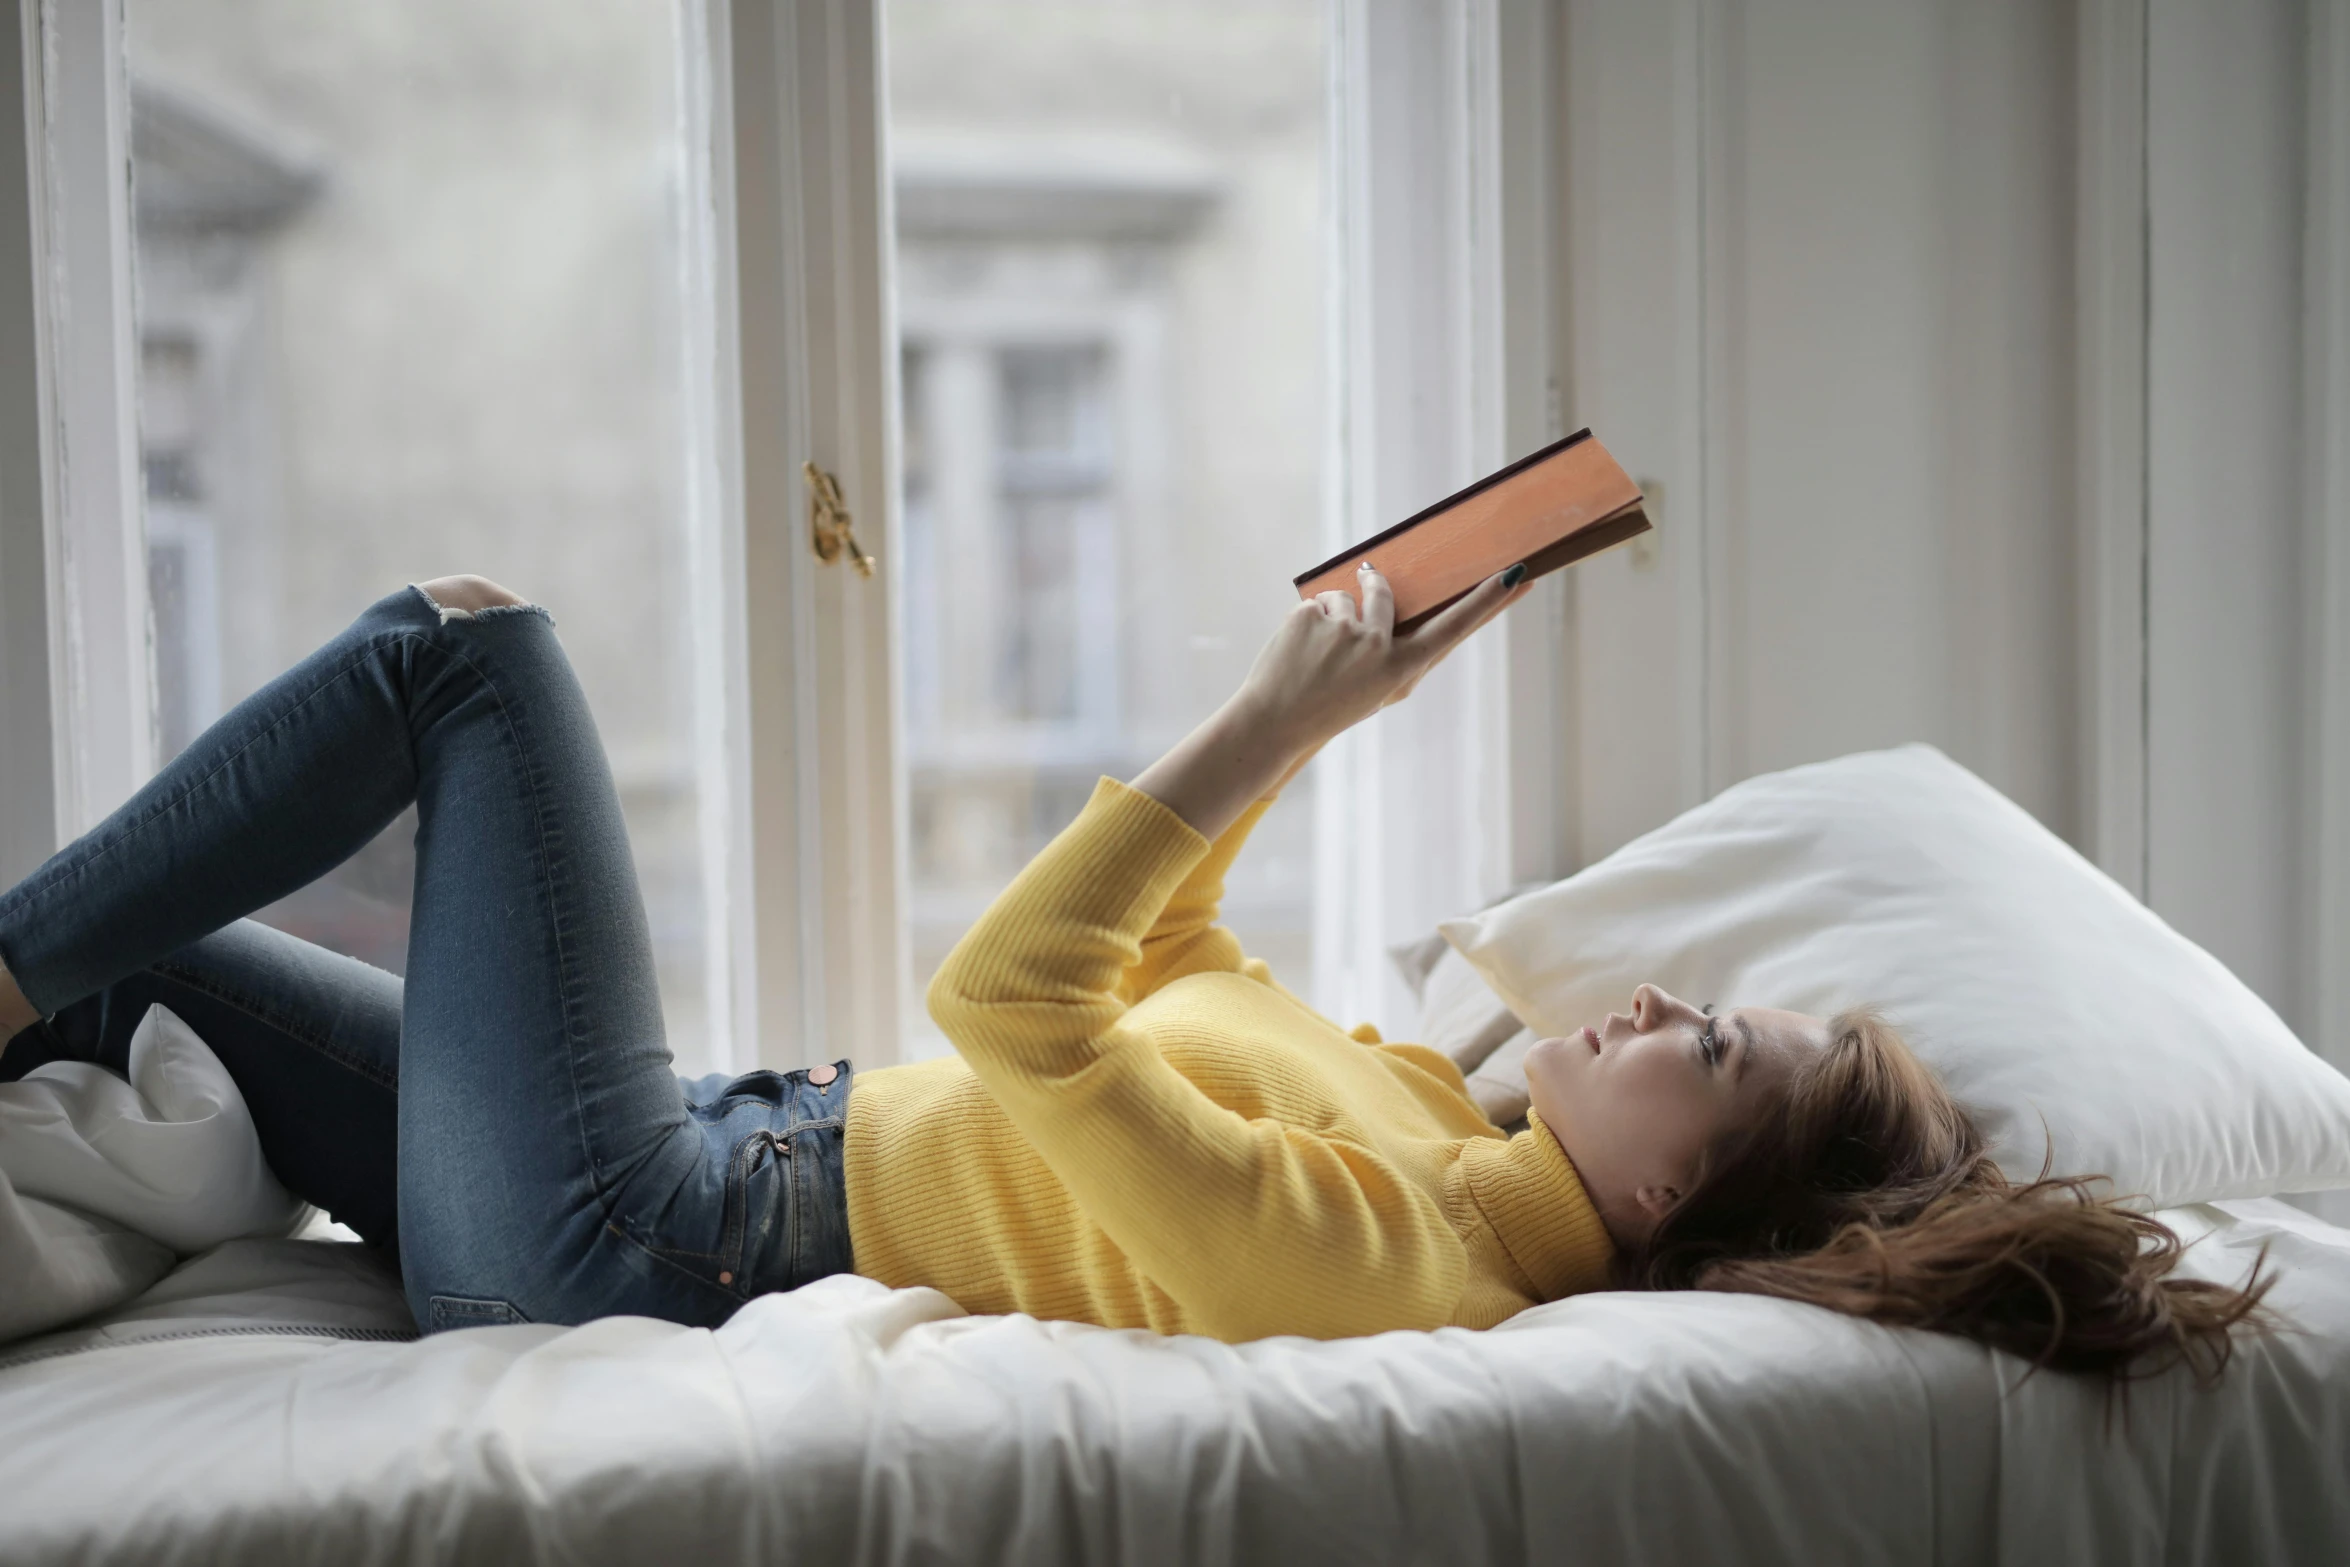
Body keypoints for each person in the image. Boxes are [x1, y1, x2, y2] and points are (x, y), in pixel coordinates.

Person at [0, 568, 2266, 1373]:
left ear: (1676, 1200)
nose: (1651, 1006)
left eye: (1707, 1048)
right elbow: (1166, 941)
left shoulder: (1404, 1264)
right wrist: (1333, 705)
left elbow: (1012, 1004)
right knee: (133, 979)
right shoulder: (1423, 1116)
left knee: (472, 654)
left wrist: (1272, 717)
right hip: (695, 1149)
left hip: (621, 1239)